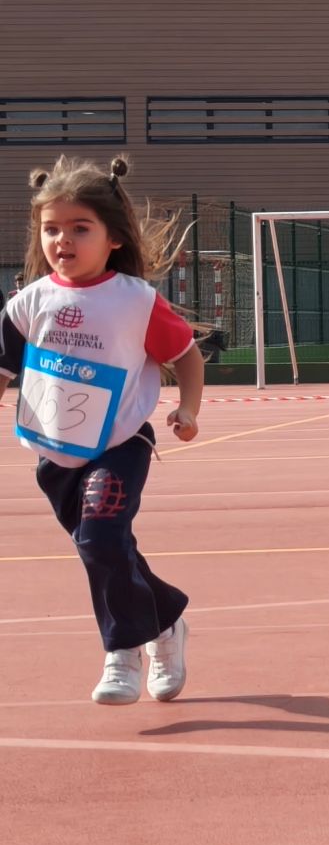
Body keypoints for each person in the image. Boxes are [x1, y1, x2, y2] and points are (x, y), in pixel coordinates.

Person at [0, 155, 205, 705]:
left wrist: (188, 410)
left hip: (119, 444)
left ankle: (122, 652)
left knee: (101, 539)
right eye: (51, 229)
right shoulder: (27, 303)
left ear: (113, 237)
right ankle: (167, 622)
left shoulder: (136, 301)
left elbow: (186, 355)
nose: (62, 240)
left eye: (79, 228)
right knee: (107, 550)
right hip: (55, 453)